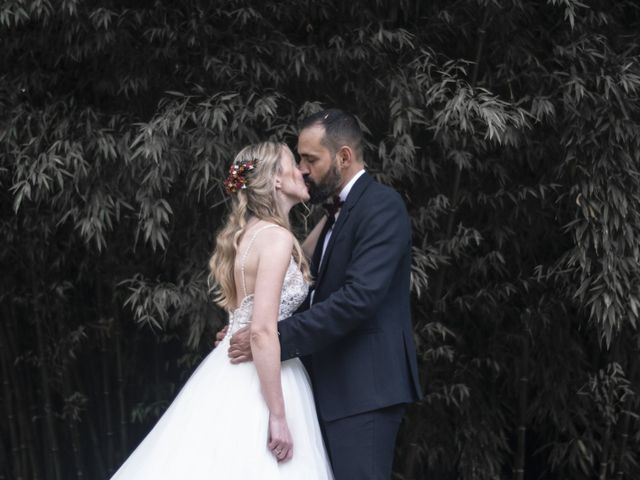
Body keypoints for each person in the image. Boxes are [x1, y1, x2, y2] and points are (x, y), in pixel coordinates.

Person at [110, 142, 334, 480]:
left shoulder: (251, 234)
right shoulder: (276, 238)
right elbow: (260, 330)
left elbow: (286, 268)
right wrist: (276, 415)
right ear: (275, 179)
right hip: (267, 369)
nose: (303, 170)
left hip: (229, 369)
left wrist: (328, 222)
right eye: (293, 163)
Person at [221, 109, 422, 479]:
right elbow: (307, 296)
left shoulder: (381, 207)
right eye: (298, 159)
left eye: (310, 159)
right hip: (324, 387)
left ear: (343, 157)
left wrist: (271, 337)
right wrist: (250, 328)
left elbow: (358, 298)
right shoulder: (329, 218)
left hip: (364, 390)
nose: (302, 168)